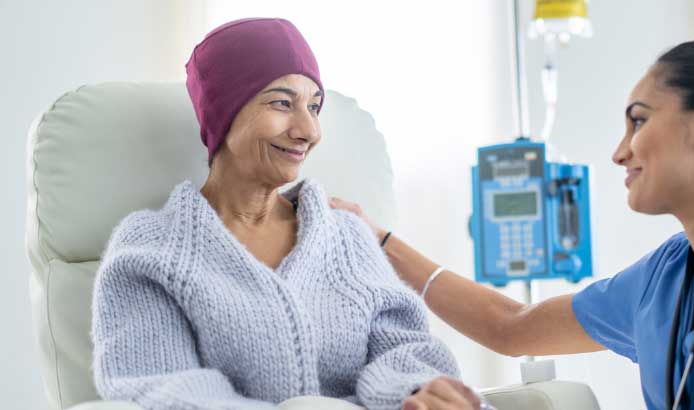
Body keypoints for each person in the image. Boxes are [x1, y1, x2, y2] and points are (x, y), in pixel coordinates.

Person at [332, 38, 694, 409]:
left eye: (638, 120)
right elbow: (513, 326)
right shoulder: (670, 274)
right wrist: (377, 240)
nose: (619, 152)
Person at [91, 18, 478, 410]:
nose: (309, 130)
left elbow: (403, 350)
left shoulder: (345, 235)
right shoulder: (151, 247)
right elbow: (164, 384)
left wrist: (417, 393)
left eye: (314, 106)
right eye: (282, 103)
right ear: (224, 111)